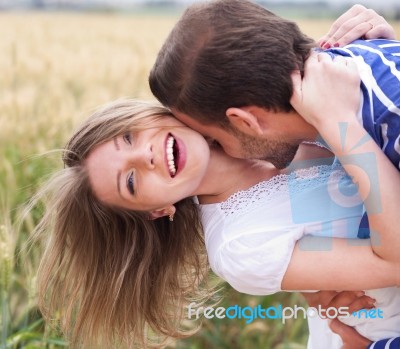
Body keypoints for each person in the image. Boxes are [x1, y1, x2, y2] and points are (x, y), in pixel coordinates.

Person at [34, 97, 400, 349]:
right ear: (157, 211)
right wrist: (339, 118)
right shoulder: (240, 245)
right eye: (130, 182)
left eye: (128, 137)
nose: (143, 156)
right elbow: (394, 261)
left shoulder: (253, 106)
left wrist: (379, 51)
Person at [149, 0, 399, 172]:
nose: (217, 151)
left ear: (246, 121)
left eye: (214, 139)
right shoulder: (365, 57)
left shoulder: (392, 118)